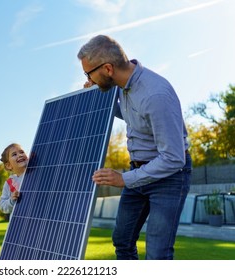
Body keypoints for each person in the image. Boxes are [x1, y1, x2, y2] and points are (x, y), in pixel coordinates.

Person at [77, 35, 192, 260]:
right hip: (138, 172)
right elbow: (131, 113)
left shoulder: (155, 94)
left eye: (89, 73)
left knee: (157, 253)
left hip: (169, 177)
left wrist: (124, 180)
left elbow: (173, 157)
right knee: (122, 240)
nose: (88, 78)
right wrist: (99, 92)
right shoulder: (123, 87)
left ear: (108, 68)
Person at [0, 143, 29, 214]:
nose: (20, 155)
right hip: (22, 220)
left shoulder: (38, 173)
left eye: (22, 152)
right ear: (8, 165)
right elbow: (2, 206)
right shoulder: (10, 183)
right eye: (14, 154)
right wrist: (11, 200)